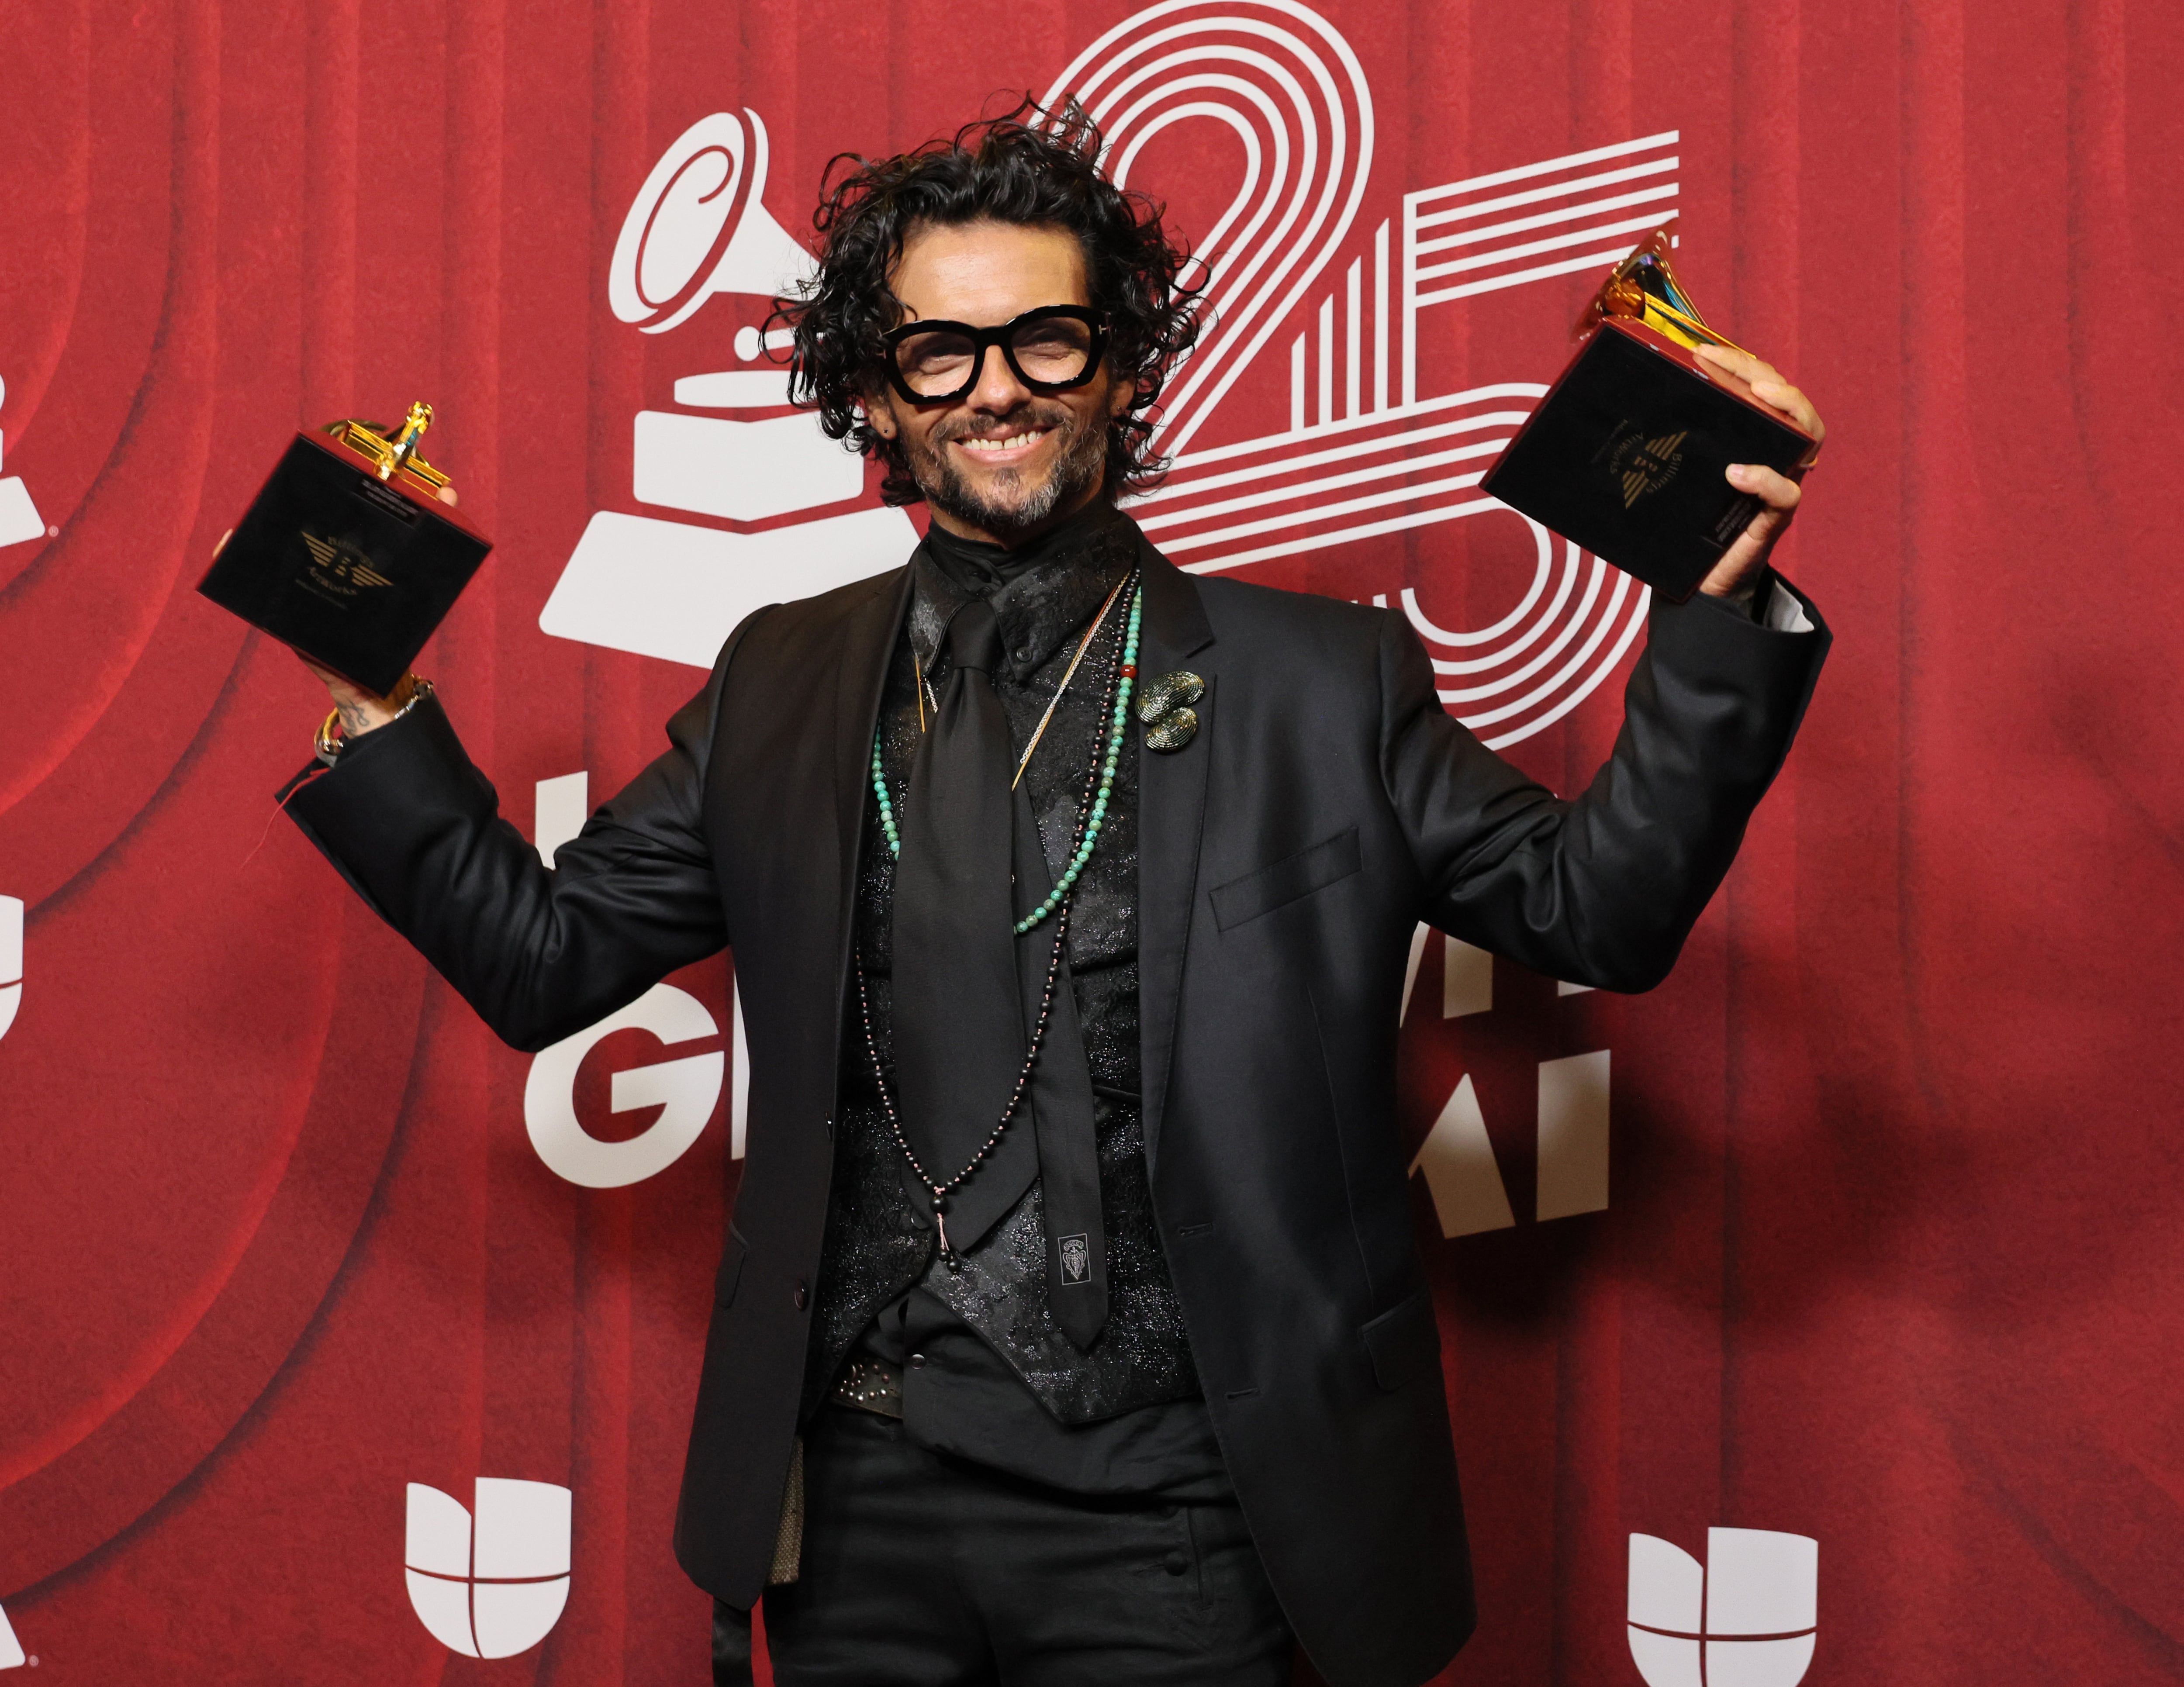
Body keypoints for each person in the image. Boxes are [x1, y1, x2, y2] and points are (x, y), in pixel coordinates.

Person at [280, 103, 1828, 1687]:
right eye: (939, 352)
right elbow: (546, 962)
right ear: (877, 395)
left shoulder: (1321, 685)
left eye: (1048, 338)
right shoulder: (782, 679)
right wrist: (370, 696)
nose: (997, 387)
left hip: (1197, 1515)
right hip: (858, 1510)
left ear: (1127, 364)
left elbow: (1599, 914)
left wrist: (1723, 625)